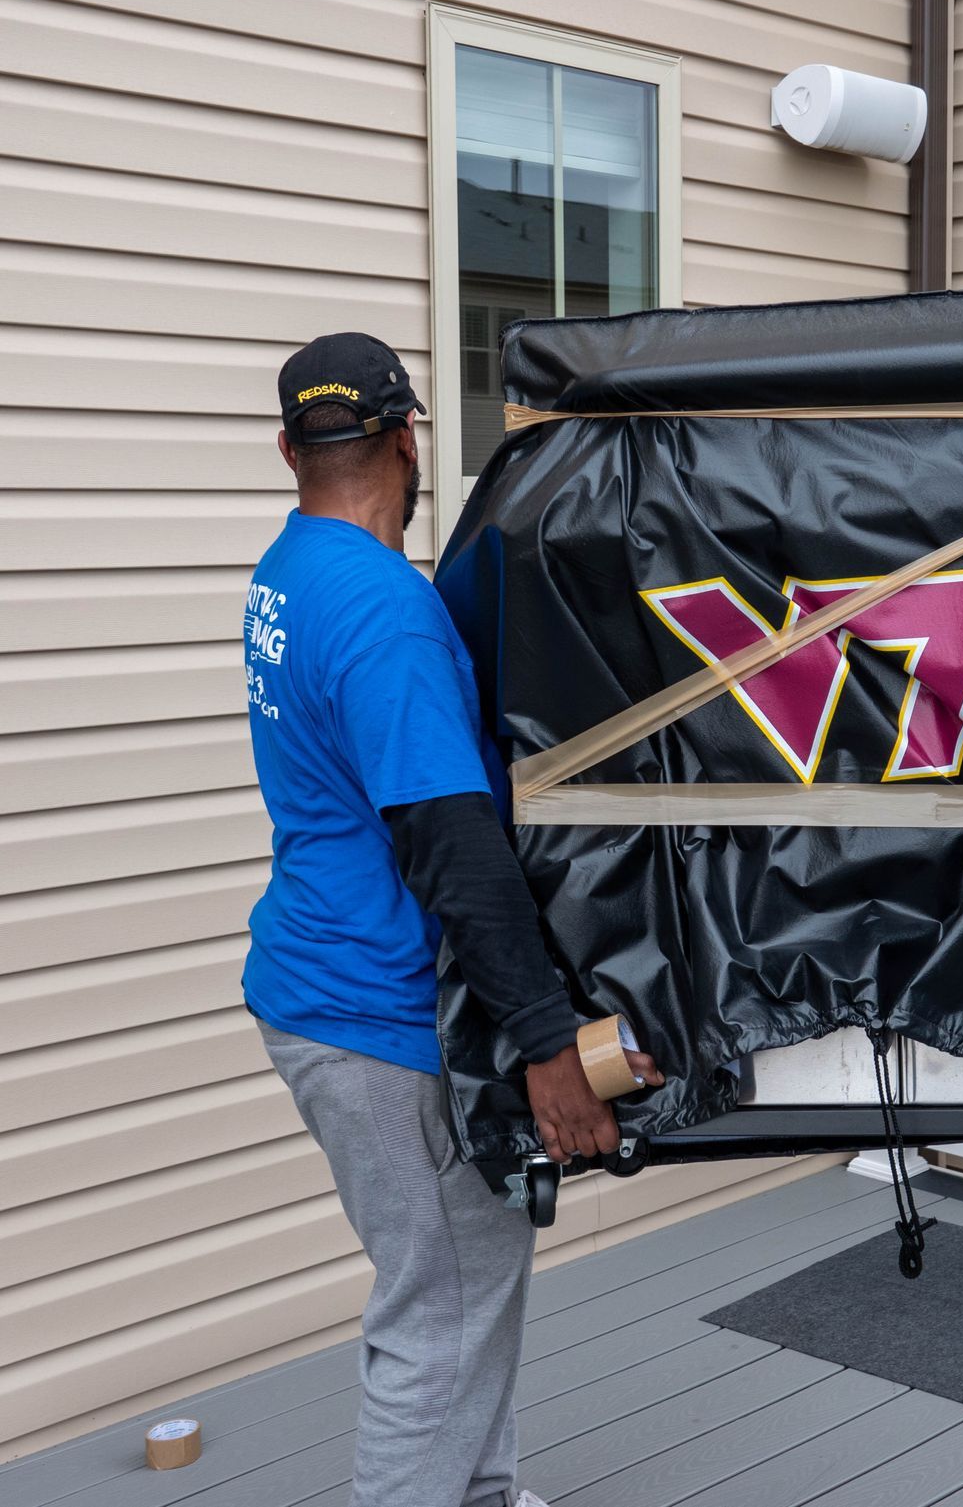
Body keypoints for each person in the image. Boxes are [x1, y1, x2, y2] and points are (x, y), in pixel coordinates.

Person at [242, 333, 664, 1507]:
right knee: (439, 1311)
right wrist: (545, 1046)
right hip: (377, 1014)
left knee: (470, 1286)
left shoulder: (290, 572)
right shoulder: (384, 612)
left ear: (290, 450)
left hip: (314, 976)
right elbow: (452, 844)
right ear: (407, 439)